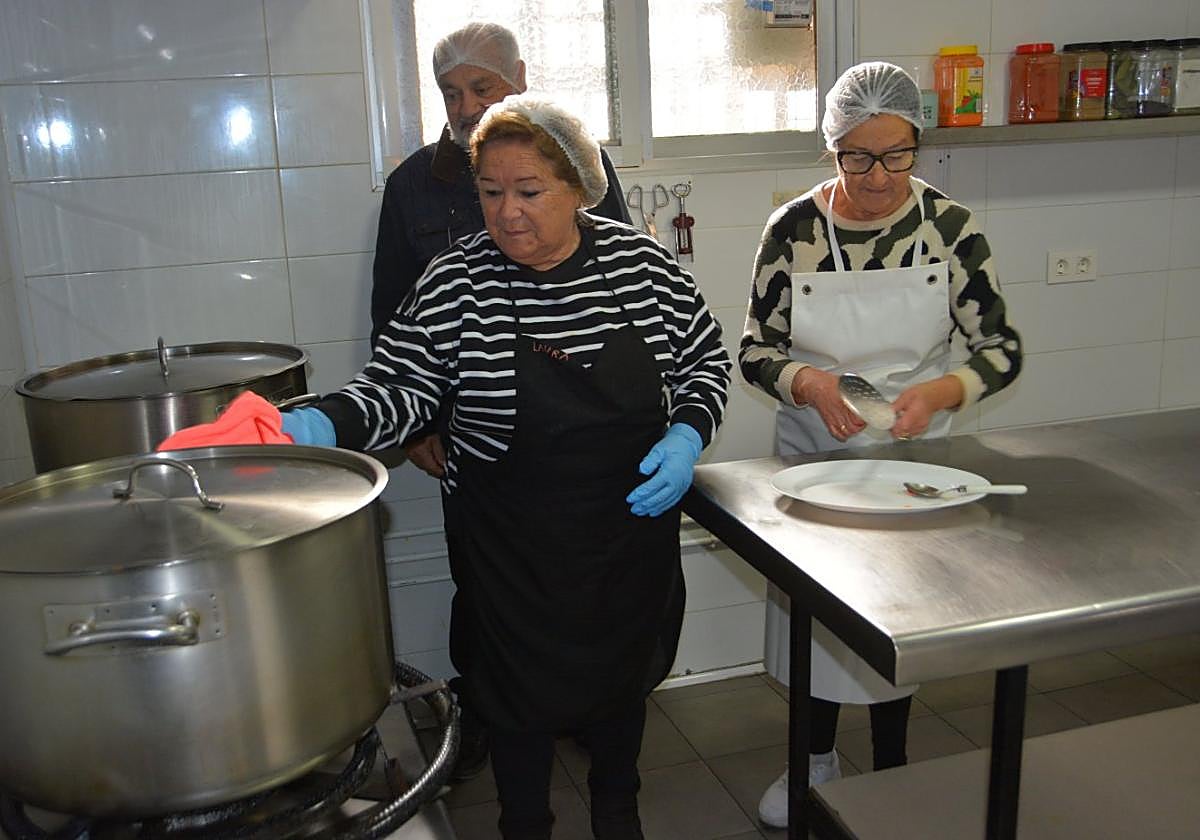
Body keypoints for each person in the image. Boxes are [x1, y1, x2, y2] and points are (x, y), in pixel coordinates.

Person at [279, 96, 730, 839]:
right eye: (491, 193)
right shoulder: (458, 281)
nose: (507, 213)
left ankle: (620, 813)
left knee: (620, 692)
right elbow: (400, 385)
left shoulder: (641, 264)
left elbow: (704, 361)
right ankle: (525, 826)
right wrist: (320, 422)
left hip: (626, 537)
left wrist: (686, 434)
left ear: (579, 187)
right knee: (515, 704)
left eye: (529, 192)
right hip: (509, 548)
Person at [738, 61, 1023, 828]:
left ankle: (892, 773)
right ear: (831, 150)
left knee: (896, 625)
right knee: (817, 623)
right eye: (856, 156)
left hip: (913, 463)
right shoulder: (794, 229)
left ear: (916, 144)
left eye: (896, 154)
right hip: (815, 459)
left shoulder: (950, 229)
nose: (877, 176)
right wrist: (807, 382)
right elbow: (755, 349)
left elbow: (1000, 347)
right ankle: (813, 762)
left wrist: (941, 392)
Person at [368, 21, 631, 780]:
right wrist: (415, 424)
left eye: (482, 88)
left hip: (576, 432)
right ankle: (484, 710)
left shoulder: (579, 166)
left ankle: (585, 707)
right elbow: (392, 320)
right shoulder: (412, 185)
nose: (465, 105)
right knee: (483, 583)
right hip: (470, 437)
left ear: (519, 78)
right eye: (451, 92)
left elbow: (613, 292)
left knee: (580, 578)